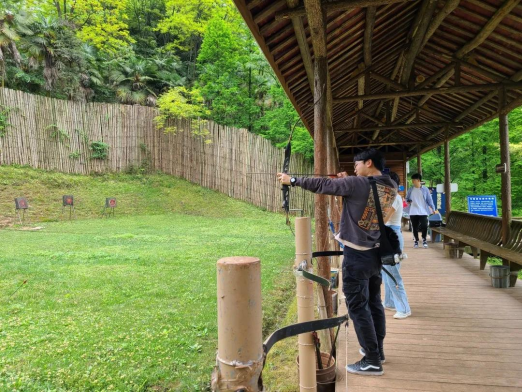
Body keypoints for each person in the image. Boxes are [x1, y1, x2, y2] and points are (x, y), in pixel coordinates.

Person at [278, 149, 397, 377]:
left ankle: (371, 360)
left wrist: (292, 180)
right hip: (374, 254)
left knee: (357, 306)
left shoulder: (356, 184)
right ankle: (377, 351)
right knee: (373, 302)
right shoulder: (388, 183)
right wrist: (348, 182)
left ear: (369, 162)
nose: (353, 168)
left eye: (357, 164)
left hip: (357, 255)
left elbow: (322, 185)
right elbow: (364, 195)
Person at [382, 172, 412, 320]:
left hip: (392, 237)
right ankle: (389, 302)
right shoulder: (391, 197)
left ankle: (404, 308)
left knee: (393, 275)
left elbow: (383, 219)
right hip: (388, 236)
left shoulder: (394, 197)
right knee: (386, 272)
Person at [406, 173, 437, 249]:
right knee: (415, 227)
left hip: (423, 211)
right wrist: (408, 201)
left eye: (414, 180)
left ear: (418, 180)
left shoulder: (425, 189)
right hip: (413, 211)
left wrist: (433, 208)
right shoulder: (411, 189)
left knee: (424, 225)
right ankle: (416, 241)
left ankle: (424, 240)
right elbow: (406, 198)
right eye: (412, 180)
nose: (412, 181)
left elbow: (429, 200)